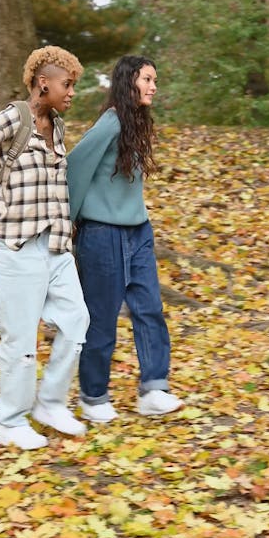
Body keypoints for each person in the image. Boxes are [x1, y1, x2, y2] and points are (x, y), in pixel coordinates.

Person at [0, 46, 90, 450]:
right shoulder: (11, 118)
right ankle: (10, 422)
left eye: (74, 86)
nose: (72, 92)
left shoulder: (57, 125)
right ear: (42, 82)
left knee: (76, 322)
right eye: (67, 84)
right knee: (20, 339)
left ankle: (49, 403)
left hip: (57, 245)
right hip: (16, 245)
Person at [66, 55, 184, 423]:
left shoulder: (136, 122)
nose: (153, 86)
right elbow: (74, 167)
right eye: (147, 79)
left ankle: (154, 389)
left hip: (138, 231)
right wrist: (67, 224)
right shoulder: (112, 121)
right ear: (128, 80)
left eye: (154, 80)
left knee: (149, 308)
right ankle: (93, 396)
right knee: (101, 317)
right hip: (102, 234)